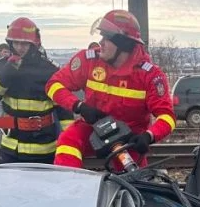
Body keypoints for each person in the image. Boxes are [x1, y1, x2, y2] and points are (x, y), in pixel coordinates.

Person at [45, 9, 176, 170]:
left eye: (107, 38)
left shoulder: (150, 76)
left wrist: (148, 136)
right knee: (69, 140)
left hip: (129, 138)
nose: (101, 43)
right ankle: (68, 186)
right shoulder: (89, 61)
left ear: (123, 44)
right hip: (93, 127)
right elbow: (53, 85)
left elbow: (167, 117)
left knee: (132, 180)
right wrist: (79, 106)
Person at [0, 18, 62, 164]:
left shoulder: (49, 70)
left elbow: (63, 109)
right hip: (10, 148)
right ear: (10, 43)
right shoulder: (2, 66)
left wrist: (67, 143)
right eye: (16, 43)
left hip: (43, 149)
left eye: (24, 43)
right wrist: (7, 73)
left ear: (33, 44)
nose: (19, 47)